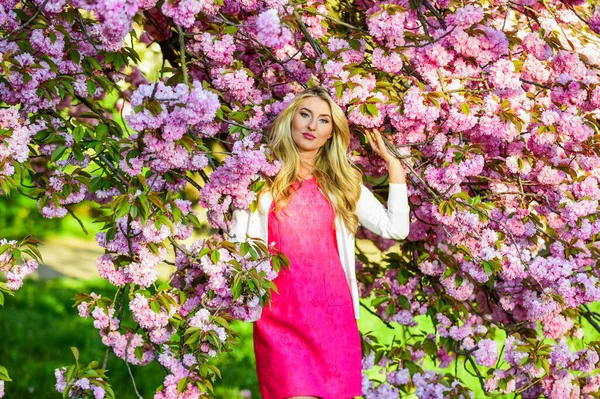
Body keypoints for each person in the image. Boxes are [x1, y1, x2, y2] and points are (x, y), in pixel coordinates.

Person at [227, 86, 410, 399]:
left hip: (332, 318)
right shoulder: (259, 179)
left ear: (331, 133)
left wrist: (395, 168)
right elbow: (236, 245)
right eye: (305, 114)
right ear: (291, 119)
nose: (312, 125)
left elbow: (396, 229)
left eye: (323, 120)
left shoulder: (342, 183)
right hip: (278, 318)